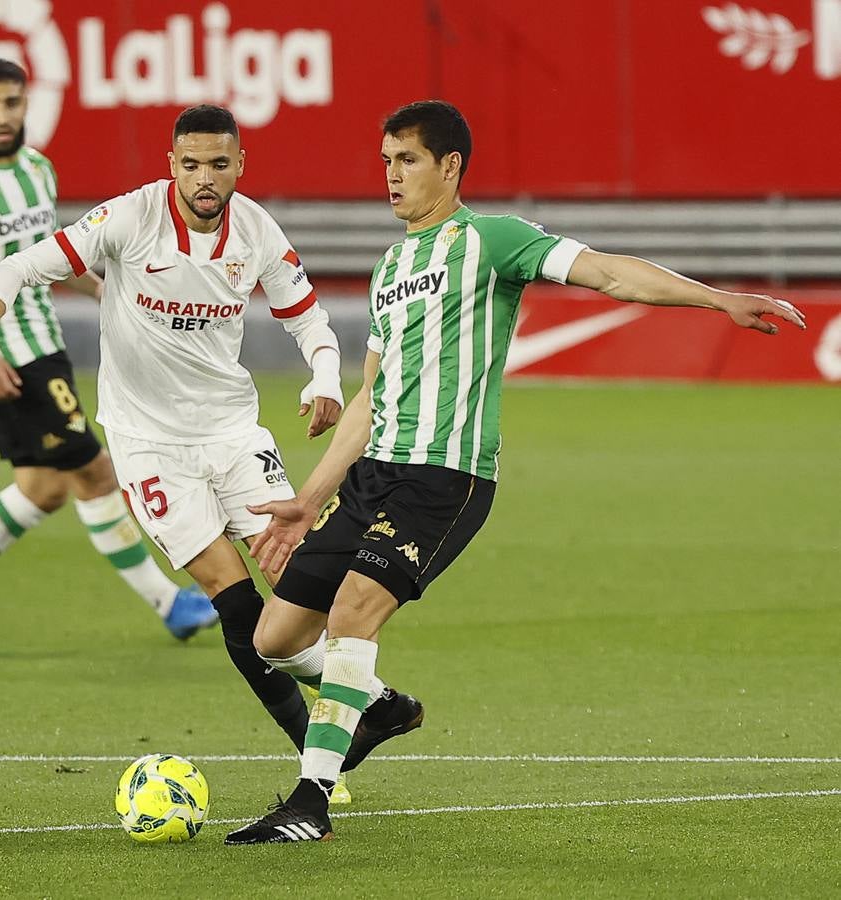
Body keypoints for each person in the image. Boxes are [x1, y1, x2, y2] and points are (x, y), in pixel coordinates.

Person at [220, 99, 808, 844]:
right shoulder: (392, 266)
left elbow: (607, 274)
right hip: (374, 476)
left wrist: (717, 298)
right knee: (276, 636)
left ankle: (311, 800)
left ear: (450, 165)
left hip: (445, 476)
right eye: (386, 163)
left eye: (407, 161)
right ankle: (378, 706)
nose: (392, 177)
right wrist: (309, 499)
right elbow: (371, 395)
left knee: (353, 613)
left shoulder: (491, 239)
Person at [0, 104, 368, 802]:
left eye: (218, 164)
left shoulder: (255, 230)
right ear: (171, 165)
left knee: (301, 586)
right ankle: (324, 755)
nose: (203, 178)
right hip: (150, 446)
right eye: (190, 164)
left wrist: (322, 376)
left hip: (232, 432)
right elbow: (15, 267)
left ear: (239, 166)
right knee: (237, 605)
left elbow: (307, 316)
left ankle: (360, 702)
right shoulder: (128, 220)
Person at [0, 59, 217, 650]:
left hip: (47, 342)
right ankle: (168, 602)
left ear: (27, 104)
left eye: (11, 102)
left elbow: (42, 255)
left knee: (45, 487)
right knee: (95, 472)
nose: (2, 115)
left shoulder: (39, 170)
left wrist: (98, 285)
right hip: (12, 359)